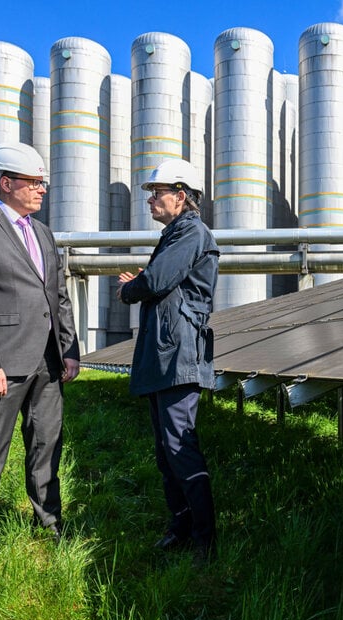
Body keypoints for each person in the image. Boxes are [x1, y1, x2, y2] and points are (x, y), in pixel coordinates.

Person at [0, 141, 80, 546]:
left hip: (48, 363)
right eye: (34, 182)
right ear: (6, 183)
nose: (42, 189)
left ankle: (50, 524)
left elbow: (58, 297)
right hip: (1, 363)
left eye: (43, 183)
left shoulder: (42, 231)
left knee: (46, 445)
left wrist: (69, 350)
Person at [116, 158, 220, 561]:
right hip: (166, 354)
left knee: (181, 447)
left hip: (178, 356)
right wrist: (144, 281)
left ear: (180, 195)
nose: (150, 201)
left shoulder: (191, 232)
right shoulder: (177, 234)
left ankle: (204, 541)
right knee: (166, 450)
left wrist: (131, 289)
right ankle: (180, 527)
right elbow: (159, 279)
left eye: (156, 193)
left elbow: (156, 281)